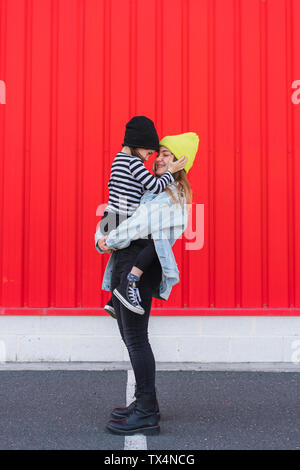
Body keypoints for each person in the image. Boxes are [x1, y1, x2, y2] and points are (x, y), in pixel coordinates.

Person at [95, 132, 199, 436]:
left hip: (137, 270)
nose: (159, 158)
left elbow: (137, 226)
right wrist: (105, 236)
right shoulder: (154, 190)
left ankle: (146, 411)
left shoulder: (170, 195)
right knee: (131, 339)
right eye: (159, 153)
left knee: (137, 340)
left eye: (168, 155)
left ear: (181, 163)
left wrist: (105, 241)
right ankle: (143, 403)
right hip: (126, 264)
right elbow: (122, 213)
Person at [99, 115, 187, 315]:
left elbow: (115, 190)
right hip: (124, 217)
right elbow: (154, 186)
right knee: (154, 242)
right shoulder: (134, 164)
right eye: (148, 153)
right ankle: (127, 287)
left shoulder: (117, 160)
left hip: (112, 215)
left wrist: (103, 237)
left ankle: (114, 298)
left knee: (125, 254)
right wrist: (170, 171)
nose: (149, 159)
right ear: (138, 145)